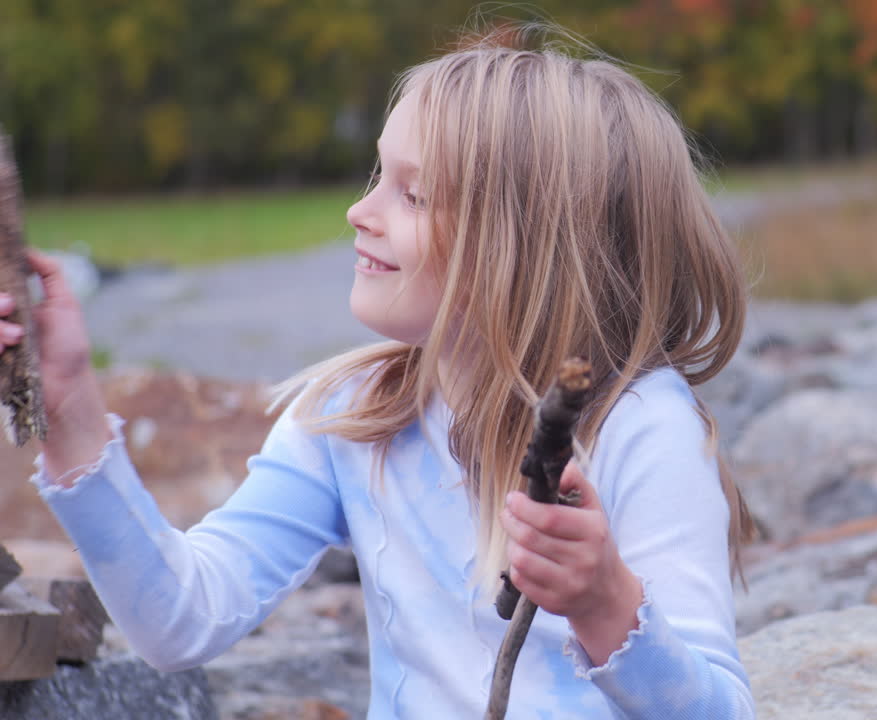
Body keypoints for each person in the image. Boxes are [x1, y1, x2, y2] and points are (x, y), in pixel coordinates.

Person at [0, 27, 756, 720]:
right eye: (377, 175)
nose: (360, 211)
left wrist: (606, 605)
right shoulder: (355, 416)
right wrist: (68, 411)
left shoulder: (642, 427)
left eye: (412, 194)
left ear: (529, 245)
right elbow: (180, 619)